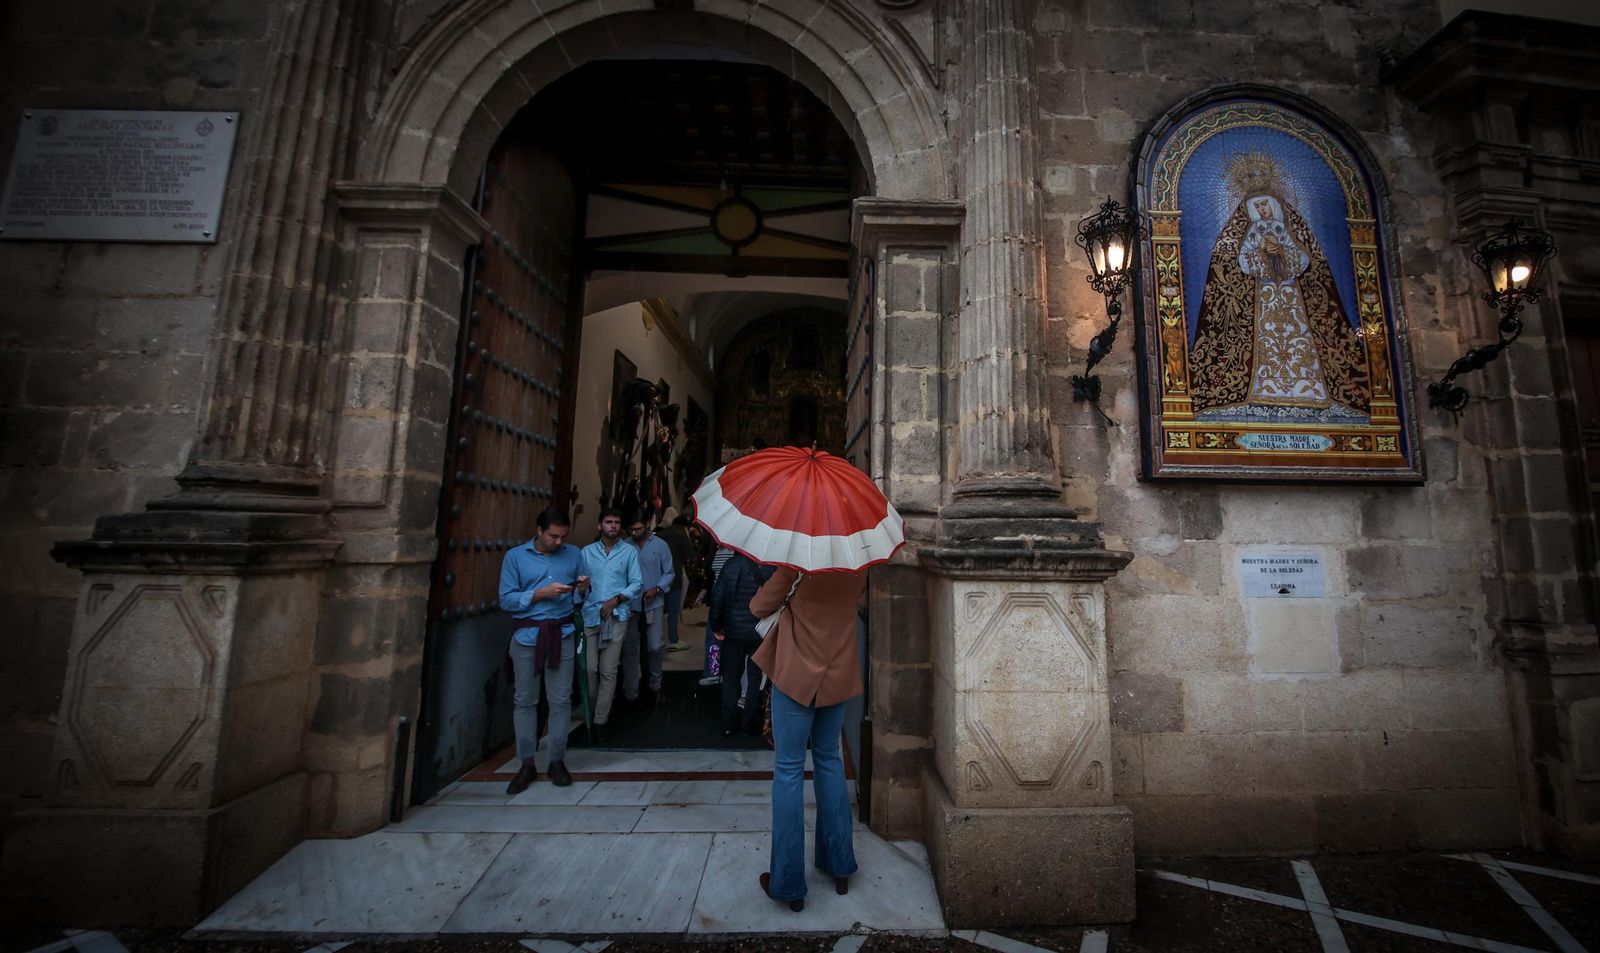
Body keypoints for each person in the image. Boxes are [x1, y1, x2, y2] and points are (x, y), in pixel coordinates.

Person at [1189, 150, 1370, 420]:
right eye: (1258, 207)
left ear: (1275, 205)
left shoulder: (1291, 227)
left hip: (1292, 296)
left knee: (1300, 340)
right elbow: (1235, 263)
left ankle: (1310, 393)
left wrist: (1283, 253)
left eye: (1266, 205)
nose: (1263, 210)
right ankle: (1262, 391)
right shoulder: (1246, 231)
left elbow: (1309, 261)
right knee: (1265, 341)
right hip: (1261, 297)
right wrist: (1260, 254)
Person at [750, 565, 866, 912]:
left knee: (788, 769)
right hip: (838, 673)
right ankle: (840, 865)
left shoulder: (796, 565)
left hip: (797, 676)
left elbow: (758, 607)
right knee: (830, 761)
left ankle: (788, 883)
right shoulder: (858, 568)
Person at [497, 506, 584, 792]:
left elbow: (581, 594)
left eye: (563, 537)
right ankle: (526, 762)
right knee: (525, 700)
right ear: (539, 531)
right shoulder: (515, 558)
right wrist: (538, 594)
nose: (558, 542)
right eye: (553, 536)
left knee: (561, 700)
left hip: (562, 633)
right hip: (527, 637)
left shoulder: (574, 555)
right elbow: (506, 599)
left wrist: (583, 587)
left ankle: (556, 760)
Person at [578, 507, 642, 745]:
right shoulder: (586, 553)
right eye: (608, 522)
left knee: (608, 670)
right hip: (590, 616)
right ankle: (592, 710)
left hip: (617, 616)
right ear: (599, 526)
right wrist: (581, 591)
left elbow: (637, 583)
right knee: (590, 670)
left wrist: (615, 599)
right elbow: (580, 583)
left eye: (616, 522)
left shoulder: (629, 552)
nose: (613, 526)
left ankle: (599, 722)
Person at [707, 551, 774, 736]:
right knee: (755, 679)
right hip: (759, 632)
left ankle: (728, 723)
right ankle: (749, 724)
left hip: (734, 631)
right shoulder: (770, 566)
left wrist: (716, 625)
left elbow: (717, 598)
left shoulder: (731, 565)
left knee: (731, 677)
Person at [622, 511, 675, 705]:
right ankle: (631, 691)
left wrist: (658, 588)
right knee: (630, 648)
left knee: (654, 646)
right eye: (631, 529)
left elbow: (669, 573)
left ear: (647, 524)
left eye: (638, 528)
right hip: (629, 604)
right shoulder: (624, 546)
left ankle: (655, 686)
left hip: (654, 602)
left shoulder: (660, 546)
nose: (635, 532)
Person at [655, 509, 700, 652]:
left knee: (657, 610)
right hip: (674, 578)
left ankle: (656, 639)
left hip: (657, 578)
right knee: (673, 611)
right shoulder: (681, 536)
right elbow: (691, 555)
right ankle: (673, 639)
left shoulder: (659, 535)